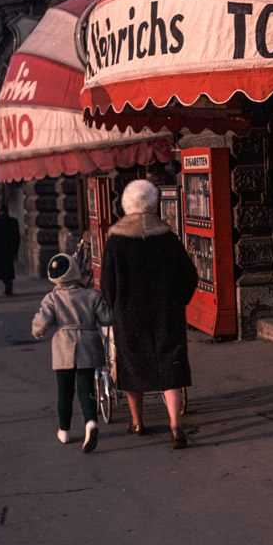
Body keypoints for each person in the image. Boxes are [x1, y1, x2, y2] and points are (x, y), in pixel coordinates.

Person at [100, 179, 197, 449]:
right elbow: (190, 276)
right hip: (167, 312)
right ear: (154, 203)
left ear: (126, 205)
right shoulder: (167, 237)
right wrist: (178, 302)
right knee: (171, 364)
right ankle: (176, 426)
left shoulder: (116, 241)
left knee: (133, 365)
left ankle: (138, 422)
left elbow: (107, 285)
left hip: (129, 315)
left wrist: (116, 304)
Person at [32, 253, 112, 452]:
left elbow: (42, 323)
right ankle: (91, 422)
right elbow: (106, 318)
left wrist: (38, 331)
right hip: (88, 344)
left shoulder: (52, 298)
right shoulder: (91, 295)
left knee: (64, 391)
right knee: (87, 388)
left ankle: (64, 431)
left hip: (63, 348)